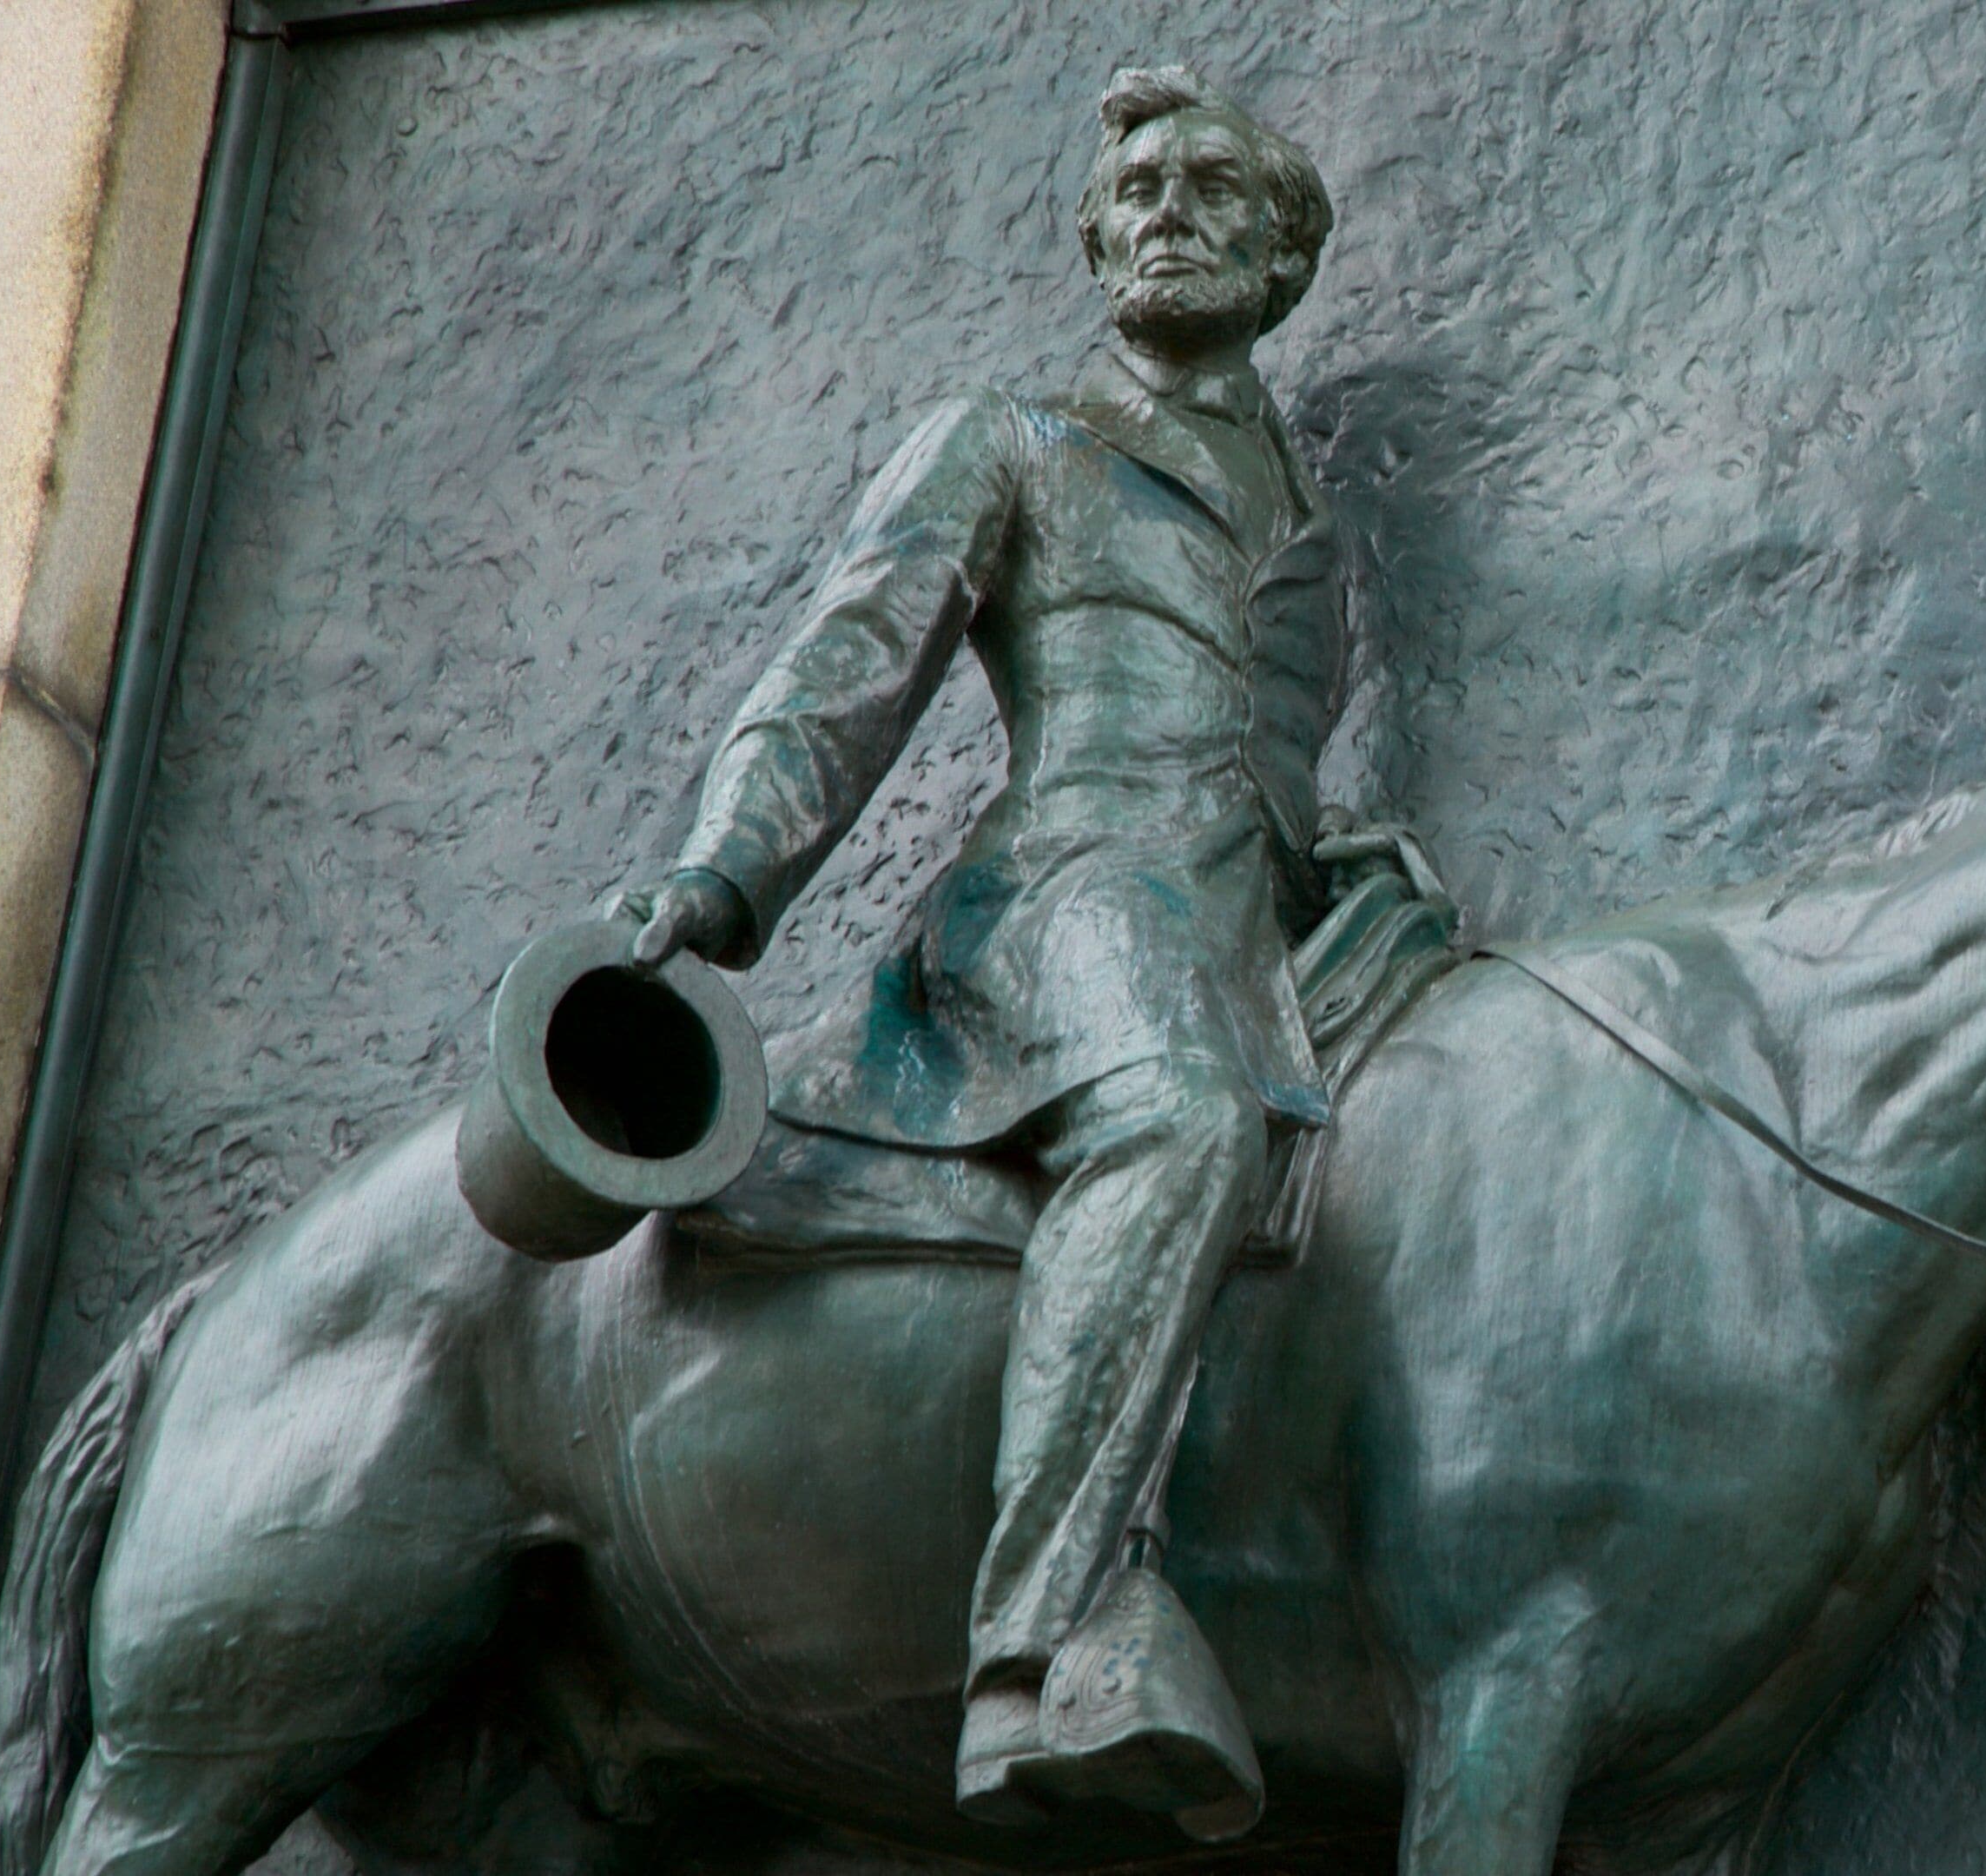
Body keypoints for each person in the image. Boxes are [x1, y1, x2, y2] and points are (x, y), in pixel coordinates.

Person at [618, 65, 1344, 1833]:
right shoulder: (1013, 437)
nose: (1171, 212)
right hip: (1078, 897)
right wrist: (722, 881)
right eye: (1144, 191)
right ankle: (1049, 1651)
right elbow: (838, 677)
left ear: (1282, 261)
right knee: (1178, 1117)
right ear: (1101, 241)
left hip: (1275, 908)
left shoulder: (1302, 509)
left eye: (1217, 193)